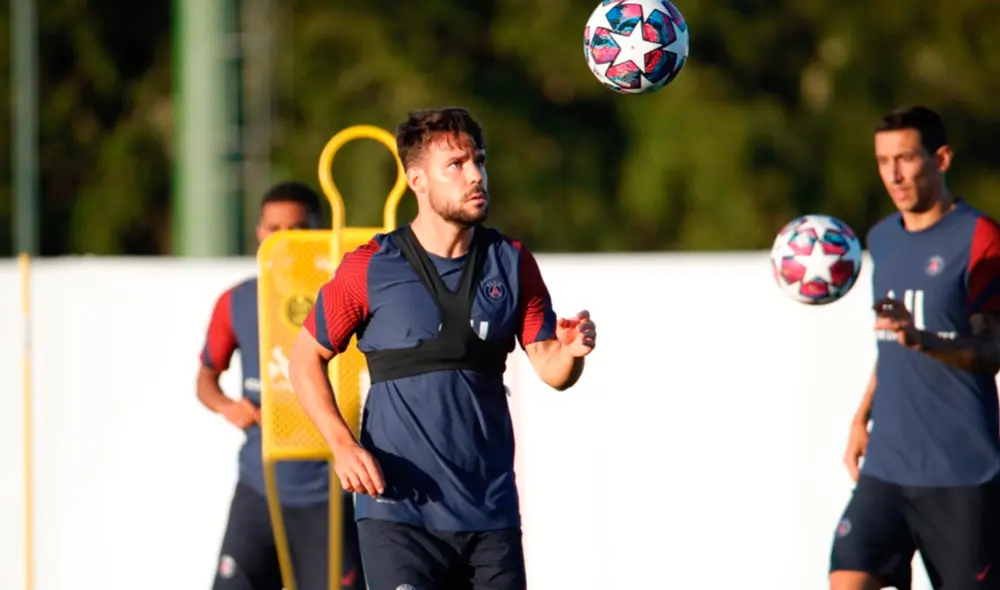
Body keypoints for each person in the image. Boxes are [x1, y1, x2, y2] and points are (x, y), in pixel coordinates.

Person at [287, 107, 597, 590]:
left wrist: (572, 352)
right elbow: (305, 358)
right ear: (417, 180)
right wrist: (342, 445)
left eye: (479, 161)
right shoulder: (370, 266)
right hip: (397, 514)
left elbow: (551, 369)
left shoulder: (511, 262)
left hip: (489, 515)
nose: (475, 175)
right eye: (456, 164)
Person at [830, 106, 1000, 590]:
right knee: (847, 579)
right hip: (887, 465)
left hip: (960, 472)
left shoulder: (979, 237)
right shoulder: (882, 238)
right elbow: (891, 345)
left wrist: (921, 339)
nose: (894, 174)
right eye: (883, 161)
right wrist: (861, 416)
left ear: (941, 159)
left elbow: (992, 350)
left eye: (905, 158)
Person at [198, 181, 365, 590]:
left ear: (319, 231)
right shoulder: (237, 301)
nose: (286, 240)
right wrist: (226, 406)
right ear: (259, 233)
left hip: (330, 489)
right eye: (274, 229)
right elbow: (205, 377)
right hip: (261, 486)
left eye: (298, 228)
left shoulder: (348, 298)